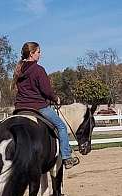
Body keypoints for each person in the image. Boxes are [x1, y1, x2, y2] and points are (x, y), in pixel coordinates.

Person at [12, 41, 79, 169]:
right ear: (31, 54)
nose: (40, 55)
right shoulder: (38, 69)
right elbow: (46, 91)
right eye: (38, 52)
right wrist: (55, 98)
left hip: (20, 108)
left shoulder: (19, 70)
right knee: (61, 127)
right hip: (38, 106)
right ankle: (66, 157)